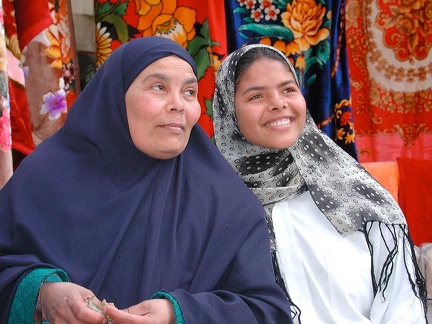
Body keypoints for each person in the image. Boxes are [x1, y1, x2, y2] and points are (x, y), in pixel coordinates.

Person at [0, 37, 293, 324]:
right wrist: (43, 295)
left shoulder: (227, 204)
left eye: (189, 92)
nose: (178, 104)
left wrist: (177, 315)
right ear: (115, 95)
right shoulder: (44, 178)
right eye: (158, 87)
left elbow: (265, 311)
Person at [212, 44, 428, 323]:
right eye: (256, 96)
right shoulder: (215, 203)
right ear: (229, 110)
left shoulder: (356, 192)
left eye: (288, 89)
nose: (278, 102)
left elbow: (402, 304)